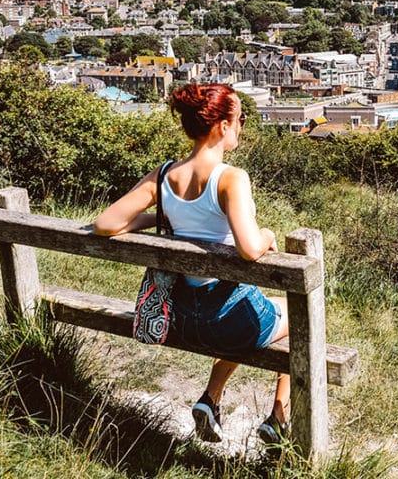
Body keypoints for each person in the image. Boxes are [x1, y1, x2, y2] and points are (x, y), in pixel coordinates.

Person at [94, 82, 289, 444]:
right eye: (240, 119)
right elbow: (249, 249)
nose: (241, 126)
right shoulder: (230, 178)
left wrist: (162, 215)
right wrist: (267, 234)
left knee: (254, 313)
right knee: (297, 317)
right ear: (222, 126)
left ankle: (211, 401)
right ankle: (278, 417)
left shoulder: (165, 175)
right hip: (227, 320)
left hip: (180, 318)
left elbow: (105, 223)